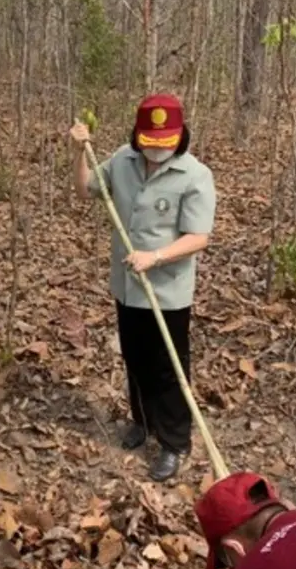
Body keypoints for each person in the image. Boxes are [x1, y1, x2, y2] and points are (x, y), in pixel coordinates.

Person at [70, 94, 216, 481]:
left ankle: (173, 442)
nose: (157, 151)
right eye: (150, 143)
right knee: (135, 359)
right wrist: (80, 150)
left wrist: (156, 257)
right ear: (137, 136)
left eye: (165, 143)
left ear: (180, 136)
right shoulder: (122, 160)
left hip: (167, 291)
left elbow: (198, 237)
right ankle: (142, 422)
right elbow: (87, 191)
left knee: (167, 368)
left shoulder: (195, 175)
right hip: (128, 287)